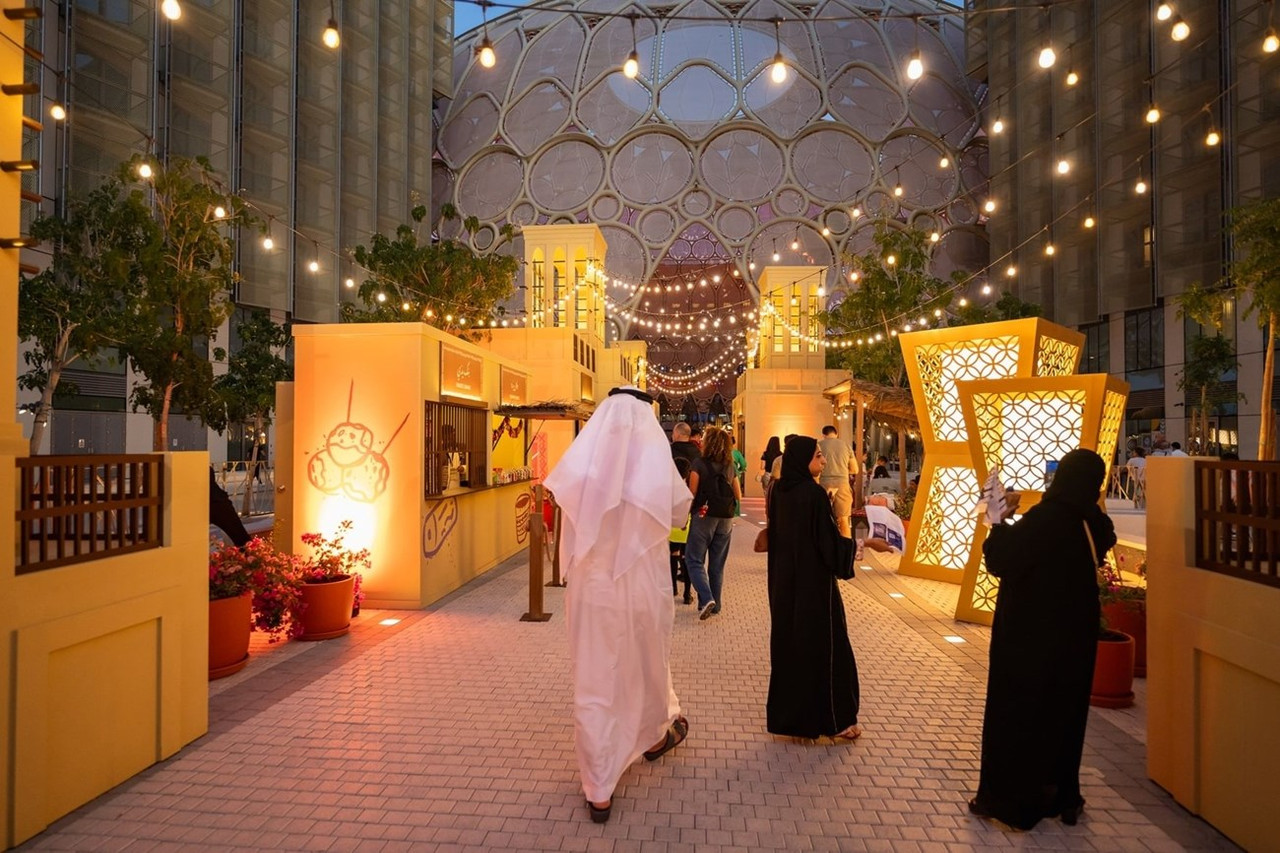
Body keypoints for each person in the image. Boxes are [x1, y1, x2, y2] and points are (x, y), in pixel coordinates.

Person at [544, 387, 692, 824]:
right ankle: (650, 740)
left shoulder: (584, 468)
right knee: (645, 666)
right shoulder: (654, 467)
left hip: (593, 593)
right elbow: (680, 513)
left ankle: (599, 788)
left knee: (595, 679)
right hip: (643, 589)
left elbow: (562, 506)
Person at [969, 448, 1115, 831]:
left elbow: (1001, 559)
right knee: (1064, 714)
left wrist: (998, 522)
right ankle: (1061, 795)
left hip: (1030, 637)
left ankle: (1013, 800)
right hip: (1074, 635)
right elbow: (1104, 541)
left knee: (1022, 714)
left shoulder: (1046, 519)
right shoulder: (1090, 519)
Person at [765, 436, 861, 741]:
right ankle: (837, 722)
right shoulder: (814, 495)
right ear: (804, 459)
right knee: (827, 651)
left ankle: (792, 722)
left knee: (790, 649)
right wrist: (858, 547)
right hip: (813, 588)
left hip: (783, 585)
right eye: (819, 457)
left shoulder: (778, 491)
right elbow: (828, 545)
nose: (823, 462)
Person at [685, 428, 742, 620]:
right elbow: (738, 495)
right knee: (717, 564)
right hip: (725, 518)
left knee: (693, 559)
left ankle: (706, 597)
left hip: (703, 516)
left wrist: (684, 517)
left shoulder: (699, 464)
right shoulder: (729, 465)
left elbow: (692, 494)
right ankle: (715, 605)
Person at [817, 425, 856, 538]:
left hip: (823, 483)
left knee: (823, 518)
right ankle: (847, 548)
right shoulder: (846, 446)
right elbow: (855, 469)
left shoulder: (819, 445)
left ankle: (824, 546)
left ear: (823, 435)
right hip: (842, 483)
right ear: (836, 434)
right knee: (843, 519)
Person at [209, 468, 251, 547]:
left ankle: (252, 554)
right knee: (242, 539)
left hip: (216, 503)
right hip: (216, 502)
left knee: (242, 539)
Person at [730, 434, 747, 509]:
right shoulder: (737, 453)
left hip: (723, 473)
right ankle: (735, 511)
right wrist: (740, 470)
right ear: (734, 443)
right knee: (736, 491)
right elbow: (743, 464)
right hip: (735, 473)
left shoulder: (721, 452)